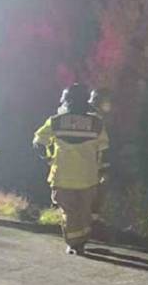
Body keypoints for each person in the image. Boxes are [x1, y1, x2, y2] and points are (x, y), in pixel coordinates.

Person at [33, 83, 108, 255]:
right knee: (84, 211)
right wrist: (104, 171)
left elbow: (38, 142)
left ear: (66, 101)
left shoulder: (55, 121)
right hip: (89, 178)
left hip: (62, 176)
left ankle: (75, 243)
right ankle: (82, 239)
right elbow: (105, 150)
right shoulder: (97, 123)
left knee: (70, 212)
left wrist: (46, 156)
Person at [88, 88, 111, 224]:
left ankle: (92, 218)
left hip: (92, 161)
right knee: (97, 188)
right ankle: (92, 218)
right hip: (90, 162)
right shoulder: (95, 120)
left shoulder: (98, 118)